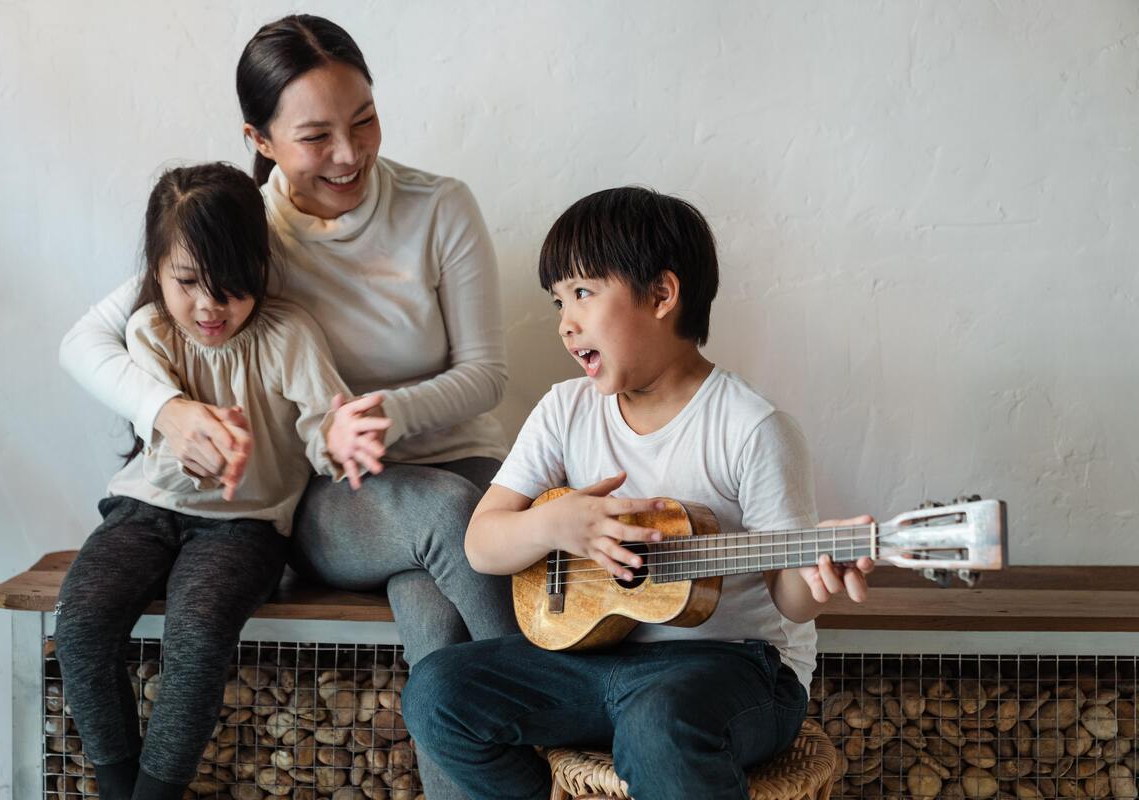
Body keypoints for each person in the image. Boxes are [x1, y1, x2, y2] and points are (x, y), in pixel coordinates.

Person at [59, 16, 518, 797]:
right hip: (341, 498)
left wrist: (378, 416)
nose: (349, 153)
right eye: (315, 136)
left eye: (364, 118)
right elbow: (86, 341)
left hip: (463, 467)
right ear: (261, 139)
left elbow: (486, 374)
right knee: (444, 513)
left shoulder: (440, 207)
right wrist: (168, 411)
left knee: (434, 625)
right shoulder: (238, 232)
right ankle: (559, 705)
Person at [401, 187, 876, 799]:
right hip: (596, 663)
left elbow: (790, 599)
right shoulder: (564, 410)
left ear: (661, 294)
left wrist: (817, 577)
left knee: (658, 724)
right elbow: (481, 545)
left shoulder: (751, 427)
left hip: (734, 670)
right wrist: (557, 525)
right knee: (439, 691)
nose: (565, 323)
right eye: (558, 301)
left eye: (582, 293)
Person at [55, 162, 367, 800]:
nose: (208, 306)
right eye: (188, 282)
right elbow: (162, 447)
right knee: (81, 621)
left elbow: (323, 425)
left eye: (229, 285)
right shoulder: (150, 331)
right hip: (144, 508)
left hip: (244, 526)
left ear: (259, 267)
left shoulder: (290, 335)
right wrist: (191, 446)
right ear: (157, 271)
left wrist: (339, 442)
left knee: (196, 634)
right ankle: (119, 786)